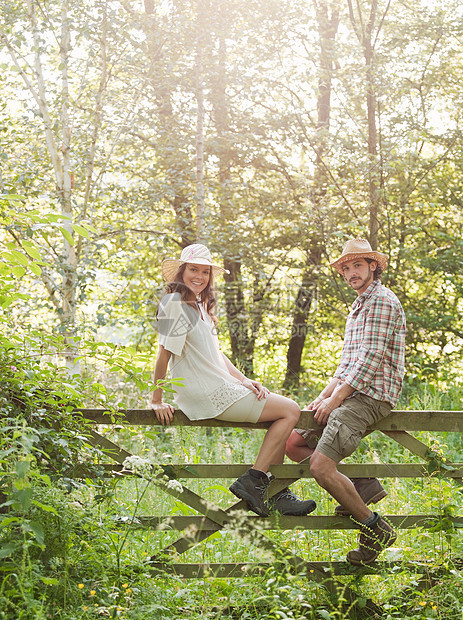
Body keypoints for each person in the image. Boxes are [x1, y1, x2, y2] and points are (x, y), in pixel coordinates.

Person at [150, 243, 316, 518]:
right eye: (193, 269)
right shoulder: (175, 304)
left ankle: (275, 493)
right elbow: (164, 353)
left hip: (217, 384)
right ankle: (255, 481)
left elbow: (216, 356)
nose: (199, 276)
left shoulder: (198, 306)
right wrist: (156, 400)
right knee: (290, 410)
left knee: (281, 412)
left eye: (205, 272)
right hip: (204, 390)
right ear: (181, 271)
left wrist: (244, 380)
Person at [286, 238, 406, 565]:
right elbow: (347, 364)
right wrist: (321, 399)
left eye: (358, 265)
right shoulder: (358, 306)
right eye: (347, 267)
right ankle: (363, 487)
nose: (351, 272)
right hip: (351, 391)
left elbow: (369, 360)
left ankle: (375, 527)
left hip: (371, 395)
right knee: (295, 441)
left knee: (320, 466)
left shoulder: (381, 300)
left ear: (373, 266)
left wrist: (335, 398)